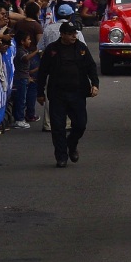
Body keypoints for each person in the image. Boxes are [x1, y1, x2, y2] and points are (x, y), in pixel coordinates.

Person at [37, 21, 99, 168]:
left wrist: (95, 84)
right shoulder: (52, 50)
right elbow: (42, 72)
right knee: (58, 127)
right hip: (57, 94)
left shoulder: (81, 48)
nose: (74, 36)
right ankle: (61, 156)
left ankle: (71, 144)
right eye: (70, 34)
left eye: (75, 33)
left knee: (80, 124)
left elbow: (91, 67)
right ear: (63, 34)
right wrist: (39, 92)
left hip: (77, 93)